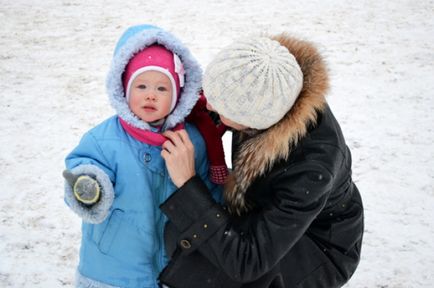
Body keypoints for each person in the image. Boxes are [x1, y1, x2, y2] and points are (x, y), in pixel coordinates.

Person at [158, 34, 364, 288]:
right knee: (182, 236)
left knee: (208, 269)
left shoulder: (312, 169)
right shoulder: (268, 87)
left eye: (221, 107)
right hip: (268, 205)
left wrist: (188, 184)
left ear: (257, 121)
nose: (208, 104)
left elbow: (248, 263)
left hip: (318, 245)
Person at [62, 24, 222, 288]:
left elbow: (209, 192)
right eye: (142, 85)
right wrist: (90, 187)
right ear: (124, 88)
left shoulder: (192, 141)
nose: (150, 94)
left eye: (162, 89)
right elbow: (84, 168)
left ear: (179, 96)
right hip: (114, 270)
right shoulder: (103, 140)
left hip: (177, 266)